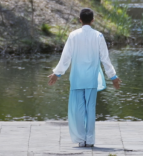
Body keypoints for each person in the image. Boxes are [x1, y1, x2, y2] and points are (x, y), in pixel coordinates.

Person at [48, 8, 121, 148]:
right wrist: (113, 76)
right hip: (91, 78)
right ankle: (90, 139)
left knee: (78, 109)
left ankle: (81, 139)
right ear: (92, 20)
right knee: (91, 108)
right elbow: (105, 59)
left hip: (77, 78)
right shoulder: (99, 36)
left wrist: (57, 73)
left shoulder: (73, 35)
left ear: (80, 20)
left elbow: (66, 57)